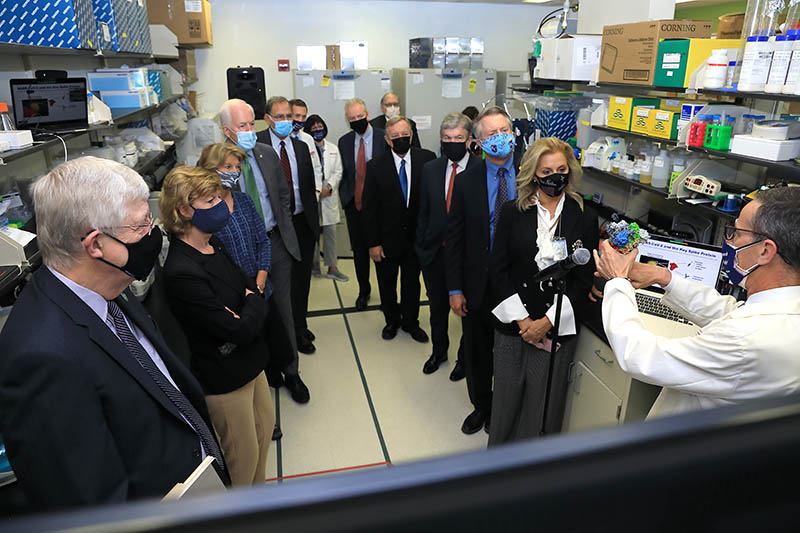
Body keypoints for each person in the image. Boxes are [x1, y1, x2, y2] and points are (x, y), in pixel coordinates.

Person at [0, 157, 229, 509]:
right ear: (95, 245)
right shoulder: (42, 356)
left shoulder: (109, 287)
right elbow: (88, 506)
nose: (154, 236)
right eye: (141, 226)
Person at [594, 186, 800, 417]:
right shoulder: (783, 310)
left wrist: (618, 280)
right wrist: (664, 277)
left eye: (737, 233)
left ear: (765, 251)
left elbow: (639, 356)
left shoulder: (745, 339)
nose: (729, 240)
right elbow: (730, 311)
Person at [160, 166, 273, 487]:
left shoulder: (215, 245)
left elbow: (249, 287)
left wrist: (248, 304)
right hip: (224, 377)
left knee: (263, 438)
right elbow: (237, 327)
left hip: (251, 362)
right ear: (184, 209)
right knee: (243, 458)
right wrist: (250, 304)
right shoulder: (182, 270)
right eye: (211, 200)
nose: (221, 206)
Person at [489, 138, 599, 445]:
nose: (555, 177)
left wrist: (546, 323)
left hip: (555, 327)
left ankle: (535, 475)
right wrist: (524, 322)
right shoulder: (514, 212)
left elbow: (582, 278)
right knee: (506, 402)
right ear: (534, 174)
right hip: (514, 325)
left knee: (543, 406)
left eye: (561, 169)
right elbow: (498, 269)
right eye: (547, 170)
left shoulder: (584, 216)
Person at [197, 143, 294, 441]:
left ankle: (282, 383)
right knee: (246, 361)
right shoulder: (204, 213)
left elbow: (262, 242)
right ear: (209, 169)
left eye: (237, 168)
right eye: (227, 167)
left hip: (259, 289)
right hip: (232, 301)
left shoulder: (243, 201)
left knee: (273, 345)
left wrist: (261, 279)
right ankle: (259, 417)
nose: (234, 173)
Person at [218, 98, 310, 404]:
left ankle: (292, 371)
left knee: (283, 308)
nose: (248, 131)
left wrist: (279, 227)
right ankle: (264, 372)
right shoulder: (216, 164)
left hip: (276, 242)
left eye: (251, 124)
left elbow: (282, 196)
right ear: (226, 130)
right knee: (252, 313)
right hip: (239, 250)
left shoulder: (267, 154)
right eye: (241, 126)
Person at [446, 106, 520, 435]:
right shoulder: (466, 182)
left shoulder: (532, 176)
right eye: (491, 134)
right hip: (478, 282)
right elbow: (455, 239)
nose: (500, 138)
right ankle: (482, 406)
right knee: (477, 351)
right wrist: (455, 289)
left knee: (511, 350)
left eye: (505, 130)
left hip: (519, 282)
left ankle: (505, 408)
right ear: (478, 142)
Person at [416, 112, 480, 379]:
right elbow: (423, 212)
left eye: (458, 138)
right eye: (447, 138)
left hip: (467, 258)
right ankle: (438, 351)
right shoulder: (431, 169)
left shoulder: (480, 170)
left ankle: (465, 360)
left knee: (469, 312)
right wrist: (422, 248)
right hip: (435, 254)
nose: (452, 142)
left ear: (469, 141)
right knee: (437, 308)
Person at [257, 96, 321, 355]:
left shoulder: (302, 146)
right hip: (274, 225)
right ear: (268, 118)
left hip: (301, 221)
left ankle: (299, 327)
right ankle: (280, 333)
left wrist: (314, 224)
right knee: (278, 283)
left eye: (290, 117)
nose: (287, 121)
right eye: (281, 116)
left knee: (301, 280)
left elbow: (306, 188)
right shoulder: (257, 144)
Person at [363, 116, 436, 342]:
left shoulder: (428, 159)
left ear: (412, 135)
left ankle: (411, 322)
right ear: (387, 139)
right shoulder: (375, 166)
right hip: (386, 240)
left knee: (412, 283)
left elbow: (434, 202)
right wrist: (373, 243)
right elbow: (370, 208)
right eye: (395, 136)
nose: (401, 139)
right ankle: (391, 321)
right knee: (387, 283)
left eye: (405, 135)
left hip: (417, 238)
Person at [338, 98, 387, 310]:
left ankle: (387, 295)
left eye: (360, 116)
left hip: (378, 207)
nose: (357, 120)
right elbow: (345, 173)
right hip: (354, 205)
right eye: (352, 118)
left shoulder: (383, 137)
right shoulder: (344, 141)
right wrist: (346, 199)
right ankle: (363, 290)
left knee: (381, 254)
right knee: (359, 252)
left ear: (367, 114)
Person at [304, 114, 349, 282]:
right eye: (313, 128)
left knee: (330, 233)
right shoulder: (304, 148)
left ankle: (332, 267)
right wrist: (317, 189)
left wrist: (329, 186)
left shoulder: (333, 148)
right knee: (312, 232)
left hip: (329, 195)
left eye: (320, 127)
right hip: (312, 196)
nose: (317, 130)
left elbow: (338, 171)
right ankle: (314, 265)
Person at [289, 98, 324, 198]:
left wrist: (317, 190)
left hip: (309, 195)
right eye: (297, 116)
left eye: (303, 116)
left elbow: (317, 167)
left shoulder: (308, 138)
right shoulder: (283, 139)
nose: (300, 120)